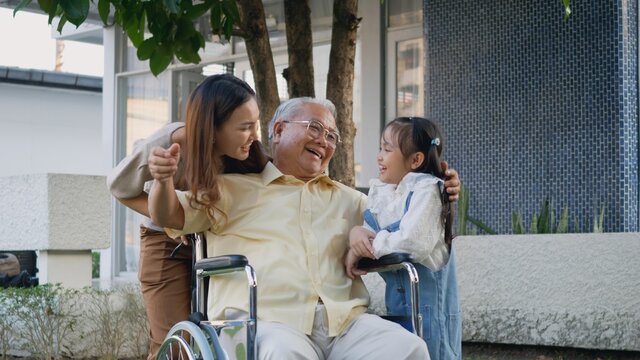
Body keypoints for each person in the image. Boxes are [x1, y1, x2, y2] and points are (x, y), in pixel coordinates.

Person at [148, 97, 461, 359]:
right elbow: (170, 214)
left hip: (346, 325)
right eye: (315, 128)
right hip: (269, 323)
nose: (324, 141)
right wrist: (163, 181)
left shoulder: (351, 200)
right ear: (280, 130)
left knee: (407, 348)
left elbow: (410, 224)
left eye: (332, 136)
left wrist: (436, 189)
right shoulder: (232, 188)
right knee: (285, 354)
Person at [106, 73, 268, 359]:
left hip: (216, 243)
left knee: (221, 338)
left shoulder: (247, 152)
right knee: (176, 343)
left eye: (256, 124)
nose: (255, 135)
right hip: (166, 247)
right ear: (213, 128)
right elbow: (120, 187)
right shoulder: (167, 145)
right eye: (245, 127)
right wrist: (172, 219)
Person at [345, 116, 461, 360]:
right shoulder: (387, 194)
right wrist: (358, 241)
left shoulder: (426, 189)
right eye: (380, 147)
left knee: (434, 353)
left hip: (430, 308)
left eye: (387, 149)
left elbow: (413, 243)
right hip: (399, 304)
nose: (379, 155)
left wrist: (365, 247)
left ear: (416, 159)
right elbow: (369, 231)